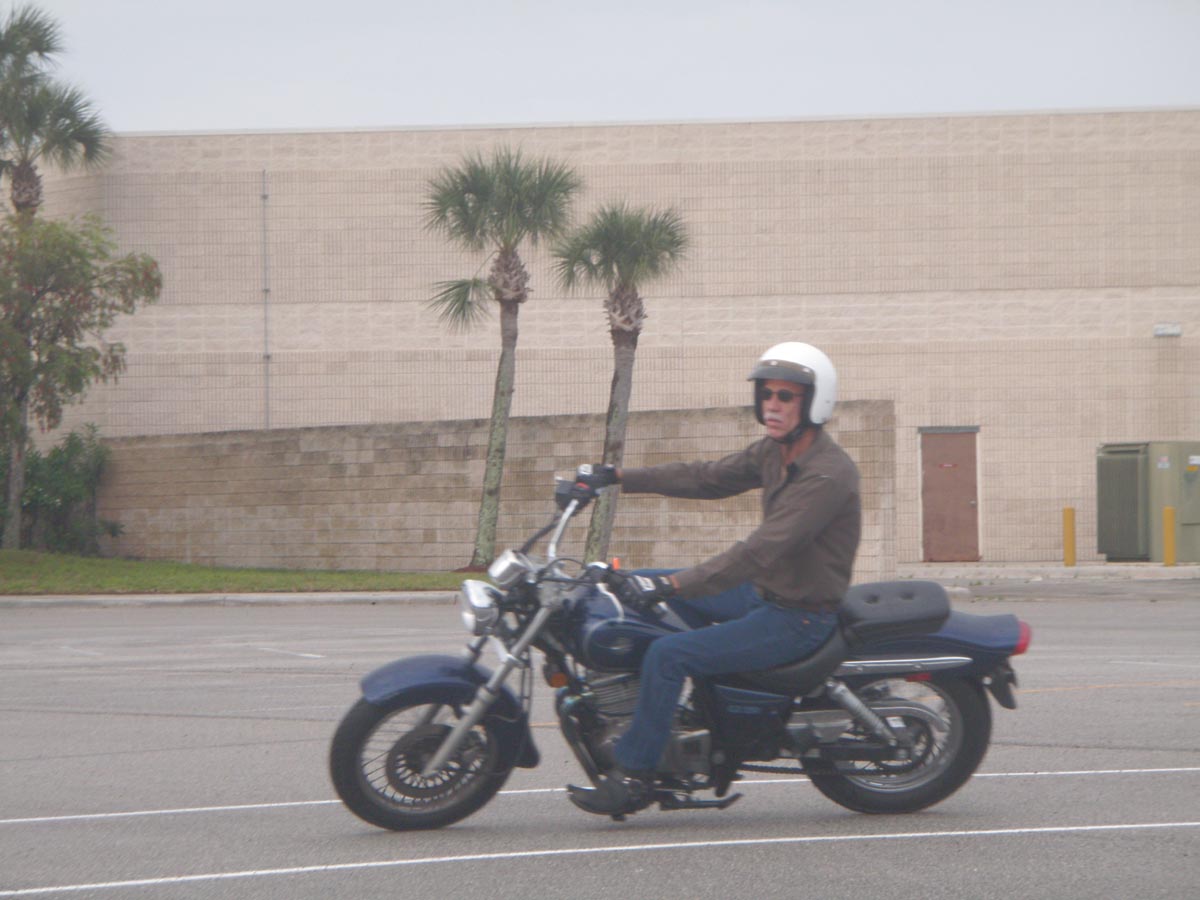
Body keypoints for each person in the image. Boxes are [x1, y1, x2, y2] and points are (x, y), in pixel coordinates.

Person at [567, 341, 862, 817]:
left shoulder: (826, 475)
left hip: (798, 616)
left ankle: (636, 775)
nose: (772, 405)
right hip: (763, 594)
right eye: (767, 394)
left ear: (814, 402)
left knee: (668, 653)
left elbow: (759, 551)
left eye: (785, 396)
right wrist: (616, 477)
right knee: (634, 587)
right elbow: (706, 477)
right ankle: (665, 714)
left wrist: (674, 585)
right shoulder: (774, 452)